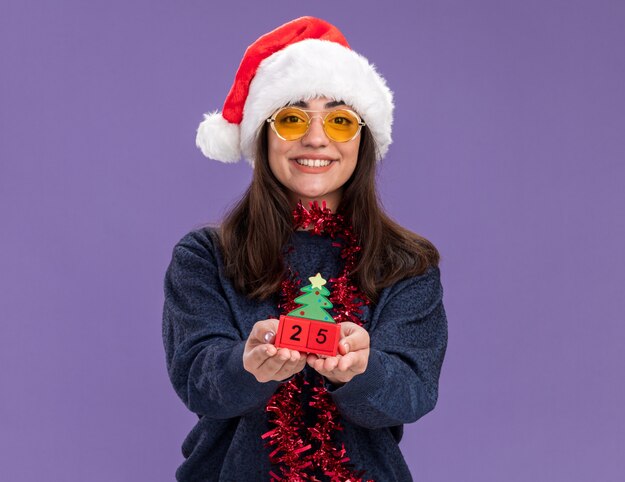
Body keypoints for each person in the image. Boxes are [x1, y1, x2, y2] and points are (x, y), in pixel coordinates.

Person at [163, 16, 448, 482]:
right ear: (264, 134)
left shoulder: (406, 263)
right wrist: (248, 364)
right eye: (293, 118)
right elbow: (198, 381)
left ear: (363, 139)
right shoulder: (205, 256)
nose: (316, 139)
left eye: (339, 120)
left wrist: (361, 367)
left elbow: (413, 393)